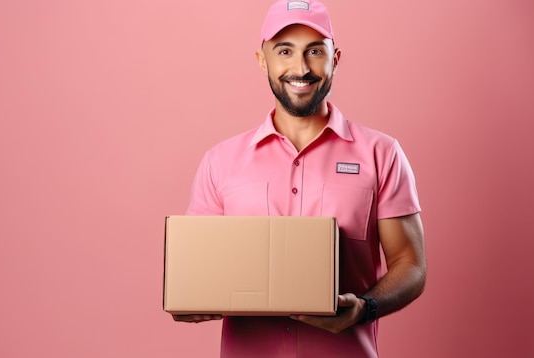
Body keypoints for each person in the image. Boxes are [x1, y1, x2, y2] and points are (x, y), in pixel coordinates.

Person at [172, 0, 427, 357]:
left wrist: (364, 307)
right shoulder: (220, 162)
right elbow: (196, 273)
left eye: (314, 51)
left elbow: (411, 265)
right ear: (263, 61)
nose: (301, 67)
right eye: (285, 51)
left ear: (334, 59)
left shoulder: (381, 153)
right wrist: (189, 299)